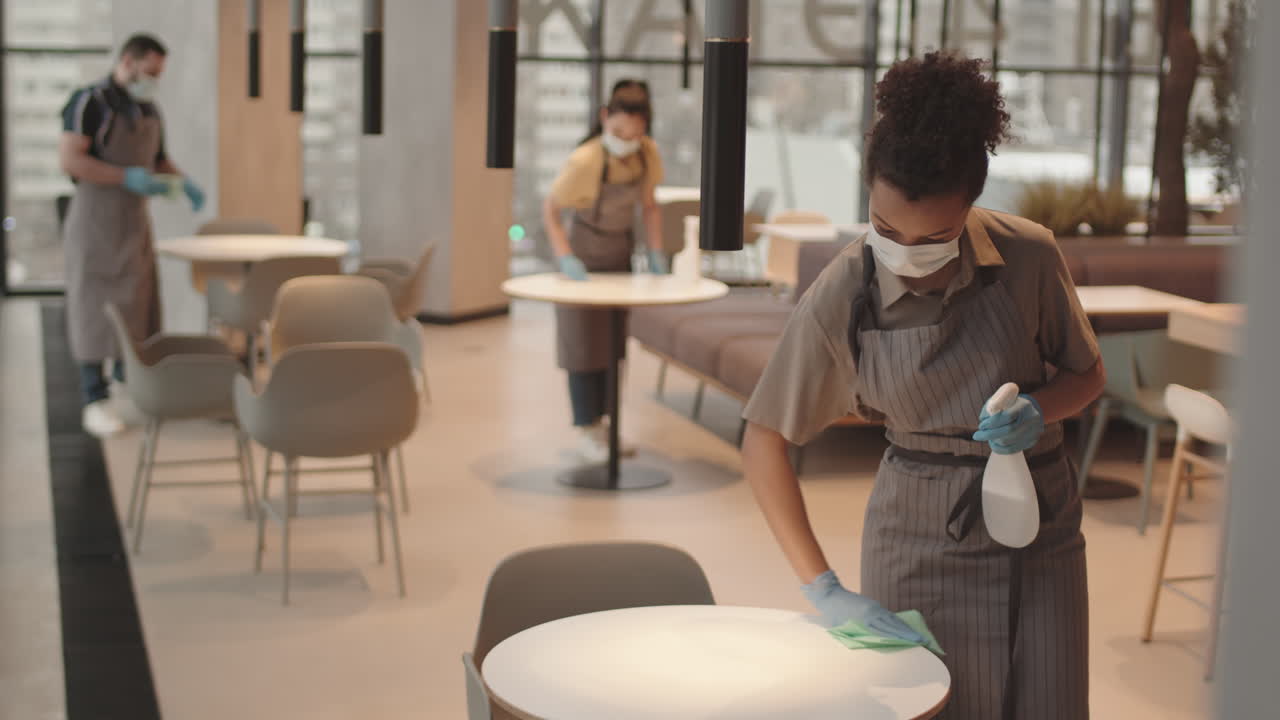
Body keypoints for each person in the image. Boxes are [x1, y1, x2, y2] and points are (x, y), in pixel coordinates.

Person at [741, 52, 1104, 720]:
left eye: (935, 236)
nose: (906, 254)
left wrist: (1038, 408)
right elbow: (764, 437)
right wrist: (823, 587)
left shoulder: (1029, 256)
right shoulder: (845, 290)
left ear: (971, 204)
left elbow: (1088, 374)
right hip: (918, 538)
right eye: (885, 230)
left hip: (1040, 531)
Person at [58, 33, 206, 438]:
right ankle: (94, 397)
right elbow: (71, 159)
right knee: (94, 310)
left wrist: (185, 184)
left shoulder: (149, 109)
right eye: (150, 71)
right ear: (128, 61)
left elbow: (160, 160)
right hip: (94, 223)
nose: (154, 80)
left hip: (133, 223)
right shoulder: (90, 103)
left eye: (158, 74)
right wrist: (126, 177)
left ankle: (132, 384)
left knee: (137, 306)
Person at [543, 80, 667, 463]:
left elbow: (648, 207)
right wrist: (565, 257)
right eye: (618, 132)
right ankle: (586, 427)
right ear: (604, 118)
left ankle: (607, 427)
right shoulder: (586, 160)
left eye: (635, 134)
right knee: (582, 343)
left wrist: (657, 251)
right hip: (582, 254)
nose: (626, 141)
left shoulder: (647, 155)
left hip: (619, 256)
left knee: (612, 343)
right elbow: (550, 209)